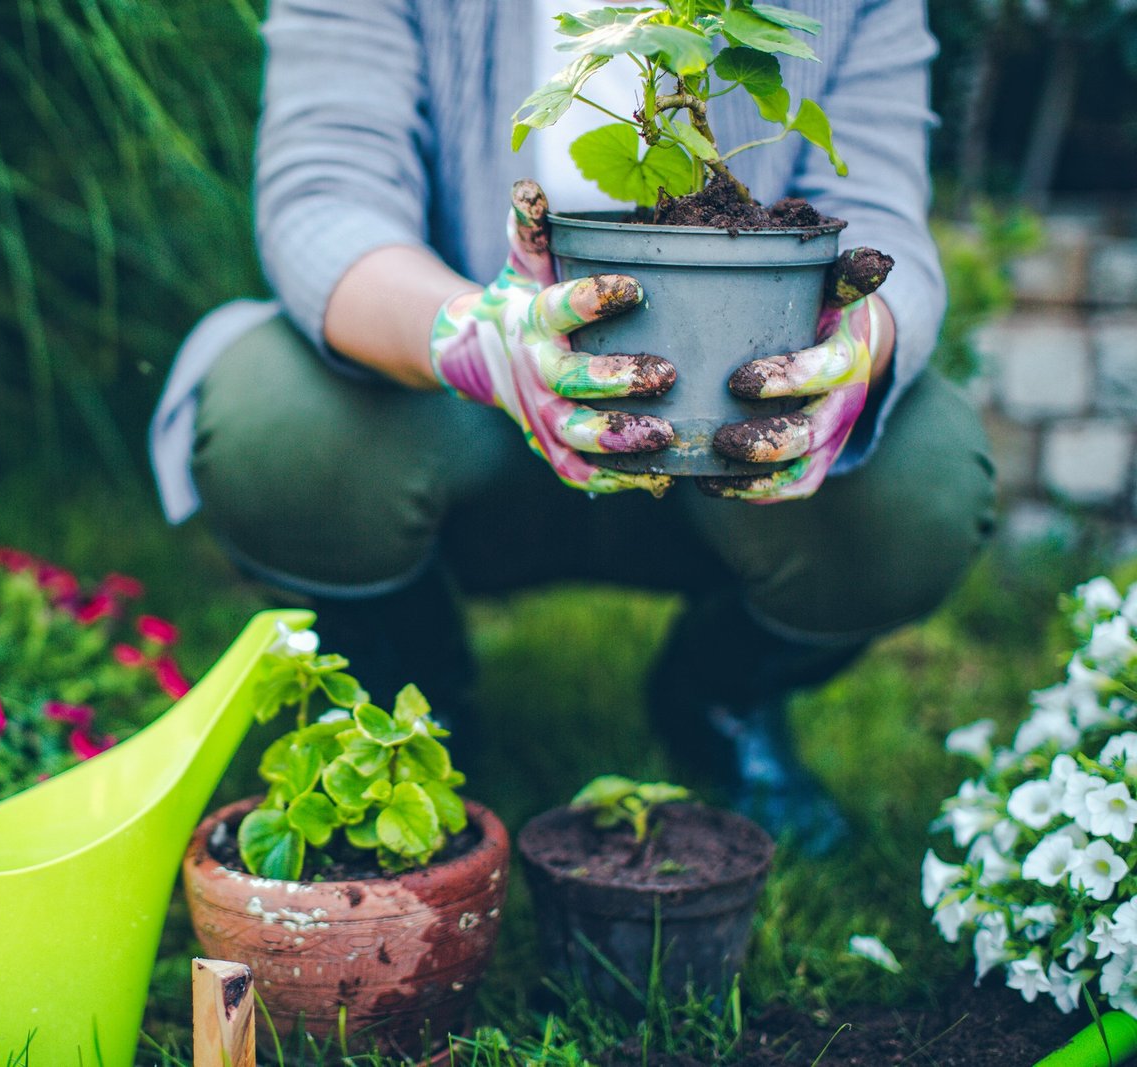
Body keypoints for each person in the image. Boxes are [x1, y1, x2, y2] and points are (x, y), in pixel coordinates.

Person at [148, 0, 996, 854]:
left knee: (922, 482)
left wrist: (858, 344)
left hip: (733, 417)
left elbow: (879, 211)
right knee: (275, 420)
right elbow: (324, 198)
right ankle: (409, 675)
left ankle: (721, 691)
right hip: (451, 413)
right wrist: (479, 339)